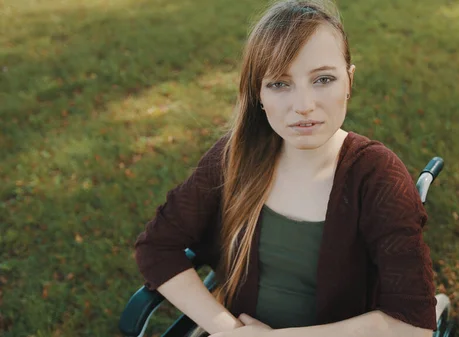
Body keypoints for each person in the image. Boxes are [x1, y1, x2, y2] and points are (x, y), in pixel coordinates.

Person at [134, 0, 437, 336]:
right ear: (258, 94)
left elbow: (412, 326)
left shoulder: (377, 176)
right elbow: (158, 246)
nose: (304, 106)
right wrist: (230, 329)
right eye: (280, 84)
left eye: (323, 79)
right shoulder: (235, 158)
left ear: (349, 81)